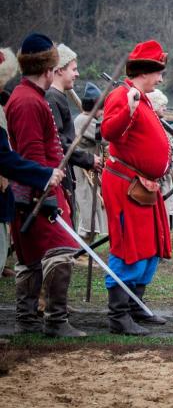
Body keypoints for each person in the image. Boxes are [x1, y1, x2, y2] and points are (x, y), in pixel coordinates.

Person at [5, 33, 85, 337]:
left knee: (32, 259)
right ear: (48, 69)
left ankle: (28, 320)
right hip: (38, 195)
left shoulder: (32, 97)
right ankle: (54, 320)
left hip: (39, 191)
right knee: (59, 253)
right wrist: (46, 191)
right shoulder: (26, 101)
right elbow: (31, 155)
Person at [101, 40, 171, 335]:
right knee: (128, 245)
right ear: (147, 70)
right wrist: (127, 110)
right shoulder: (124, 95)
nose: (161, 79)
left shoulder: (142, 97)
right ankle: (119, 316)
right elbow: (108, 131)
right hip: (125, 184)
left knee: (149, 245)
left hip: (143, 186)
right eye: (159, 72)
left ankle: (134, 307)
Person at [45, 44, 103, 224]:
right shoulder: (52, 98)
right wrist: (88, 159)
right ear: (60, 70)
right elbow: (58, 142)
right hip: (58, 173)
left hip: (66, 172)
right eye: (74, 69)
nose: (77, 74)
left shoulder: (58, 96)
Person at [73, 82, 108, 241]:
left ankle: (87, 242)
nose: (102, 112)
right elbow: (105, 137)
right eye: (100, 108)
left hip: (91, 166)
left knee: (92, 202)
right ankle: (83, 245)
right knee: (87, 202)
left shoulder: (87, 119)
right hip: (84, 167)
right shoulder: (83, 120)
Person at [147, 89, 173, 229]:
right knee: (156, 212)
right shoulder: (150, 124)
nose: (165, 108)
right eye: (162, 105)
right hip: (155, 177)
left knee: (167, 212)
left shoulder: (163, 124)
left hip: (166, 175)